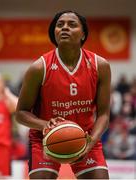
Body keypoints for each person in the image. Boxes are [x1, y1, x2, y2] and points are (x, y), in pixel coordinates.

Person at [15, 10, 111, 179]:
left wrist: (91, 142)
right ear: (55, 33)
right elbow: (20, 113)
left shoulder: (100, 65)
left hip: (86, 136)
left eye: (72, 24)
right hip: (44, 139)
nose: (64, 28)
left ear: (83, 34)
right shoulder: (39, 68)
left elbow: (103, 114)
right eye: (60, 25)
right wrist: (45, 125)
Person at [0, 72, 18, 177]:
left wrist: (7, 93)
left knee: (1, 177)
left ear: (2, 84)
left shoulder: (6, 102)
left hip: (2, 147)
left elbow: (19, 107)